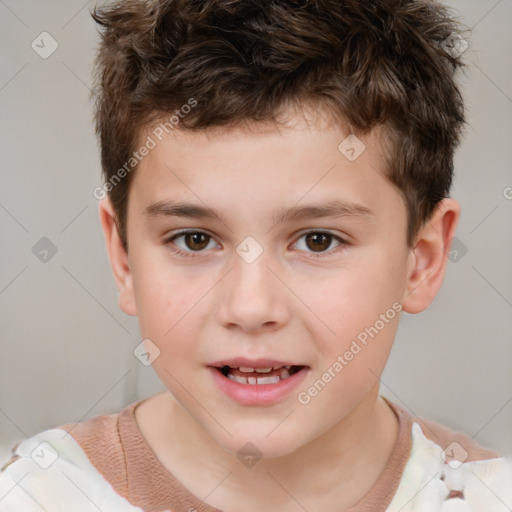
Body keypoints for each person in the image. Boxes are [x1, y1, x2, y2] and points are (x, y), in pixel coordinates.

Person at [1, 0, 510, 510]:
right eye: (194, 240)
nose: (250, 308)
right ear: (125, 256)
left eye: (318, 240)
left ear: (421, 260)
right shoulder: (37, 495)